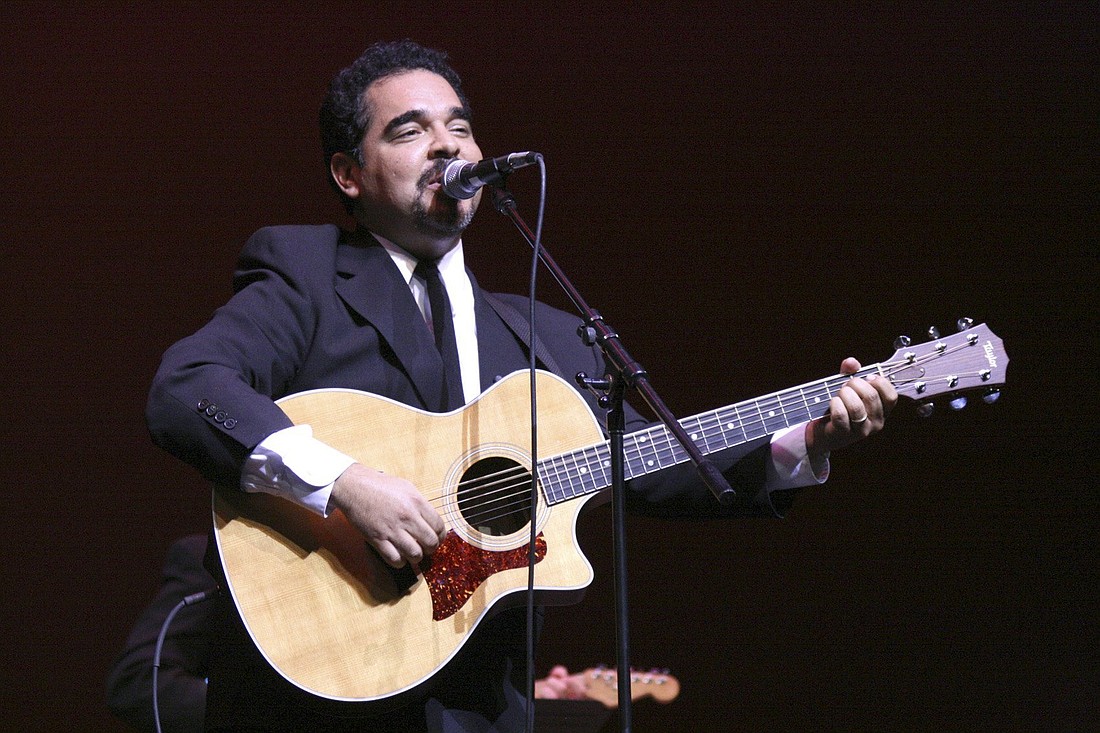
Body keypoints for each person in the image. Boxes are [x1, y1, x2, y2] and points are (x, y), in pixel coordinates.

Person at [145, 40, 895, 731]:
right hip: (318, 696)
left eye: (460, 128)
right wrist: (345, 482)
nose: (447, 145)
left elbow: (658, 462)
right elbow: (188, 387)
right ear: (349, 172)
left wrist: (807, 438)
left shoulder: (554, 334)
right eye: (408, 131)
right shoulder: (304, 272)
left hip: (484, 706)